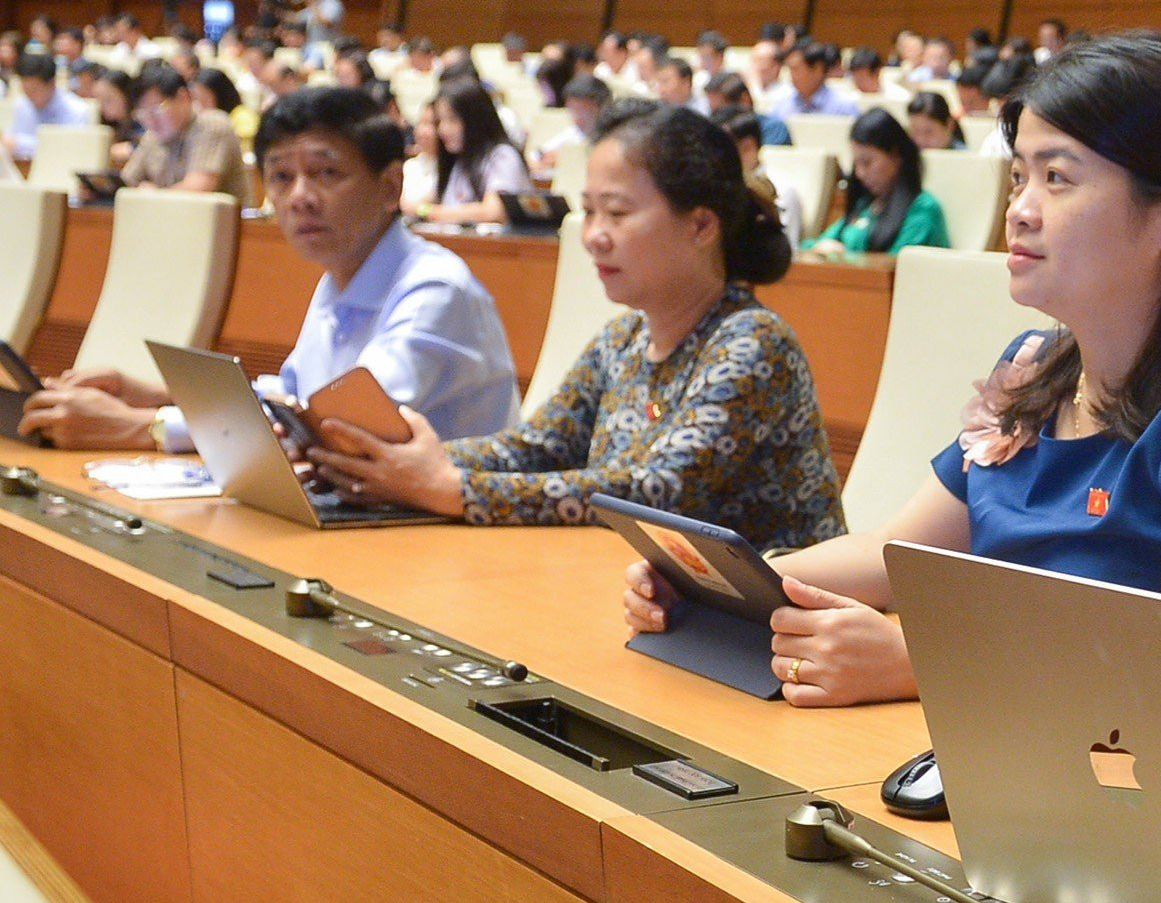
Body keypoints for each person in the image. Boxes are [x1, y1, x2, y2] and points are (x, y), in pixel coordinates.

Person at [626, 30, 1161, 707]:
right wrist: (715, 581)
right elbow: (893, 553)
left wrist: (923, 662)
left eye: (1057, 178)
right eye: (1019, 176)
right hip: (991, 741)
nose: (1018, 210)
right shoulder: (1034, 367)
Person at [311, 101, 845, 548]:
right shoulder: (622, 339)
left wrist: (453, 489)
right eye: (588, 211)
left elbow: (659, 492)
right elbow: (538, 447)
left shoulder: (753, 342)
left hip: (775, 627)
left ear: (701, 224)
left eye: (617, 213)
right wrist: (390, 460)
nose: (592, 236)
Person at [22, 87, 521, 454]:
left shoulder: (435, 288)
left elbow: (339, 426)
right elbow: (293, 398)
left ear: (391, 187)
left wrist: (140, 427)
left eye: (326, 173)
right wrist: (155, 395)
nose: (299, 197)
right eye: (281, 177)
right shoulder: (341, 275)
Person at [807, 107, 948, 255]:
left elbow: (895, 264)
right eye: (856, 164)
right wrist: (819, 248)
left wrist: (843, 256)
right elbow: (817, 244)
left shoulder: (923, 210)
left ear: (896, 155)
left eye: (867, 162)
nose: (859, 173)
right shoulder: (864, 205)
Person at [123, 62, 254, 203]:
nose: (150, 122)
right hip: (170, 215)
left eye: (156, 111)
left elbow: (198, 190)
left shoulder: (212, 125)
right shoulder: (153, 134)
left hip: (215, 217)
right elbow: (127, 181)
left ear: (183, 97)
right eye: (143, 114)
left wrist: (153, 194)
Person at [414, 79, 530, 225]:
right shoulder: (457, 161)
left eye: (452, 120)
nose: (443, 129)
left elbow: (494, 211)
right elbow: (423, 203)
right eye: (440, 121)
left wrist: (428, 212)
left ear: (475, 120)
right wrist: (419, 207)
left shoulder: (503, 156)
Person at [717, 108, 809, 248]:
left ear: (748, 147)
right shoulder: (716, 186)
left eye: (720, 150)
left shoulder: (782, 191)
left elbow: (786, 252)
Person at [8, 51, 94, 160]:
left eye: (34, 90)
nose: (30, 96)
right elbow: (11, 142)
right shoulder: (23, 105)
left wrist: (19, 145)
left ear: (52, 83)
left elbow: (69, 149)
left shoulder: (77, 110)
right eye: (26, 91)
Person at [530, 73, 610, 178]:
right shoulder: (575, 132)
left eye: (583, 110)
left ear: (601, 107)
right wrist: (544, 159)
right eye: (573, 110)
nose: (577, 117)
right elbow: (536, 156)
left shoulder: (613, 135)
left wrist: (566, 159)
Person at [779, 40, 843, 117]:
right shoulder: (782, 106)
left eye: (795, 69)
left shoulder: (843, 107)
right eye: (790, 70)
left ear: (817, 69)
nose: (791, 75)